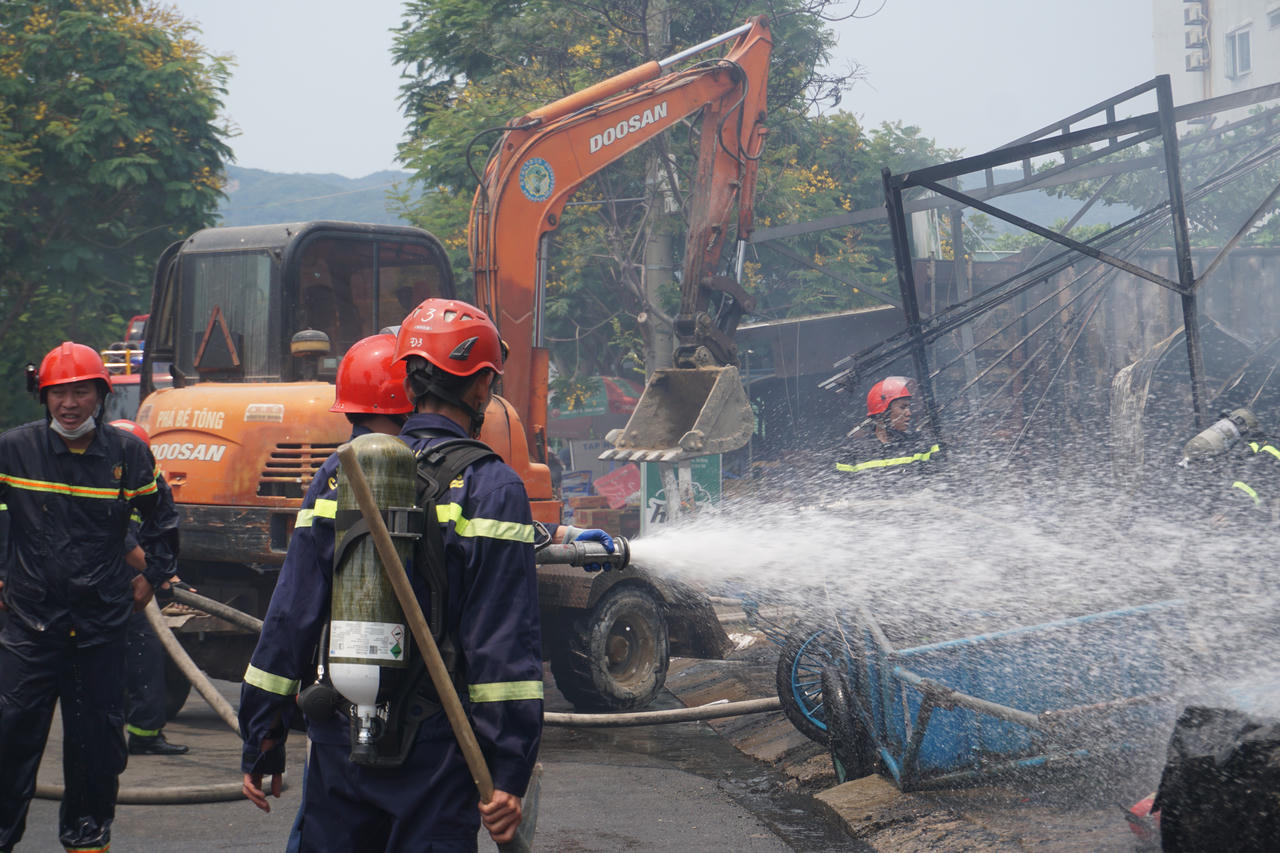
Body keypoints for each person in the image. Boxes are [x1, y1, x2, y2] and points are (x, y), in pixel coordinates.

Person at [0, 341, 179, 853]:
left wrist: (152, 577)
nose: (69, 404)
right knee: (10, 735)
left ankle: (86, 840)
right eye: (59, 393)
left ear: (100, 395)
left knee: (96, 745)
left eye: (81, 392)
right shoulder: (14, 450)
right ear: (43, 396)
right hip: (30, 625)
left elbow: (162, 520)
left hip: (100, 628)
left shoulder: (128, 454)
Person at [109, 419, 189, 757]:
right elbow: (125, 545)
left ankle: (141, 733)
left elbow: (153, 534)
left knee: (138, 658)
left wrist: (167, 575)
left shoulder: (134, 483)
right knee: (141, 654)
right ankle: (138, 735)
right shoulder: (110, 486)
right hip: (117, 589)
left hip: (126, 585)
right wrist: (163, 578)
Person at [835, 376, 943, 478]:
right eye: (903, 407)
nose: (909, 413)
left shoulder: (921, 445)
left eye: (908, 407)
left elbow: (937, 481)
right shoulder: (853, 454)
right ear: (883, 413)